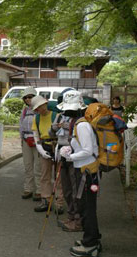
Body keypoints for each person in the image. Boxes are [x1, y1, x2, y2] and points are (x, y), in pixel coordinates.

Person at [59, 103, 102, 257]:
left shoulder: (82, 125)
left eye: (67, 108)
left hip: (87, 172)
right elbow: (83, 147)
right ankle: (93, 239)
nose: (64, 111)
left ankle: (90, 244)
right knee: (86, 206)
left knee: (87, 208)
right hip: (85, 171)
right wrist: (70, 150)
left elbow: (88, 150)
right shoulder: (79, 123)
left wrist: (70, 156)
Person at [50, 90, 86, 232]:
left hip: (76, 158)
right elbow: (50, 133)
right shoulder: (60, 116)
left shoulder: (83, 121)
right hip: (63, 156)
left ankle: (78, 220)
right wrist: (54, 128)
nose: (68, 111)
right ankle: (71, 216)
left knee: (77, 189)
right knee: (66, 189)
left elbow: (86, 145)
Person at [30, 95, 65, 214]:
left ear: (46, 104)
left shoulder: (57, 116)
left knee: (59, 176)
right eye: (38, 107)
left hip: (58, 146)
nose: (41, 108)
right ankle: (45, 200)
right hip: (44, 146)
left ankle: (59, 202)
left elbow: (63, 134)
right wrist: (40, 150)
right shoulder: (37, 118)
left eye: (42, 105)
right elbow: (36, 136)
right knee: (44, 175)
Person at [19, 87, 41, 201]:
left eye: (30, 97)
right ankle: (28, 188)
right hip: (26, 140)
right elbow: (21, 126)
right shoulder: (24, 111)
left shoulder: (40, 110)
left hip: (38, 141)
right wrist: (21, 140)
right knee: (28, 166)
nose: (28, 99)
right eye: (26, 97)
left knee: (38, 167)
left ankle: (39, 190)